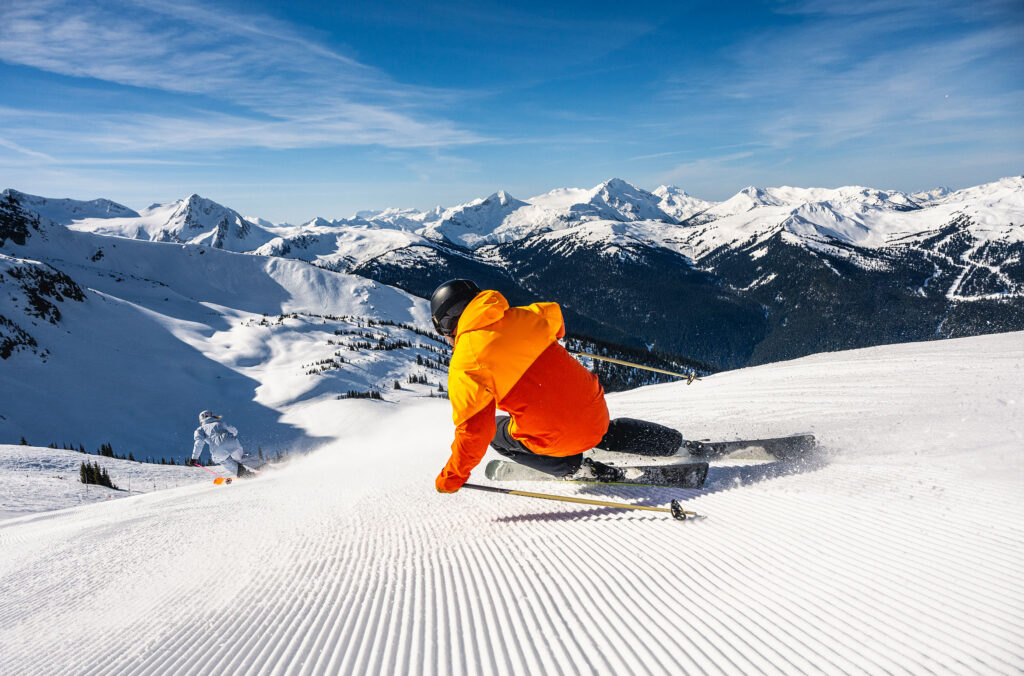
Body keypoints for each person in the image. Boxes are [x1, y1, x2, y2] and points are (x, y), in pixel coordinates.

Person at [431, 279, 682, 494]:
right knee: (599, 429)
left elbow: (474, 432)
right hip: (596, 410)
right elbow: (553, 313)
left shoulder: (465, 363)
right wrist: (548, 338)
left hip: (556, 437)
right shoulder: (524, 315)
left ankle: (574, 466)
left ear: (448, 323)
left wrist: (451, 478)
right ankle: (673, 444)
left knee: (496, 434)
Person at [190, 410, 254, 478]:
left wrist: (194, 458)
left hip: (217, 448)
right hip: (232, 441)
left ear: (201, 420)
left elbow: (199, 442)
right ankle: (261, 464)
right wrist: (230, 436)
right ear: (212, 416)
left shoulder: (200, 429)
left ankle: (243, 473)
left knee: (222, 459)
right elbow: (234, 430)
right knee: (240, 457)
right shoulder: (221, 423)